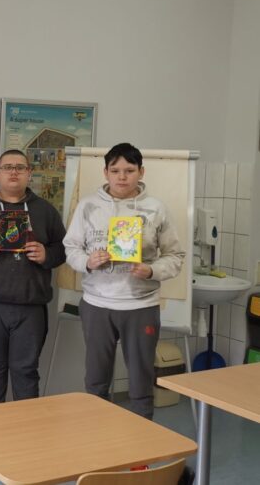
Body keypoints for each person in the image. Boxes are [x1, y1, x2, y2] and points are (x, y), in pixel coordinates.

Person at [63, 143, 184, 419]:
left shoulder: (156, 208)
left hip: (141, 306)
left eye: (129, 170)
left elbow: (175, 255)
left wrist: (151, 270)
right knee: (96, 380)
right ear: (105, 172)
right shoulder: (88, 205)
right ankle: (99, 437)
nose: (122, 176)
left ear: (141, 172)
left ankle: (140, 441)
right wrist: (88, 262)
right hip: (97, 304)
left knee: (141, 381)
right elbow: (71, 248)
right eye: (115, 170)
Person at [0, 149, 66, 405]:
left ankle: (25, 428)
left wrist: (46, 254)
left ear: (29, 173)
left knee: (26, 371)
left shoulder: (45, 211)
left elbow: (64, 249)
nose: (14, 172)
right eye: (7, 167)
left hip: (31, 305)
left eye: (20, 167)